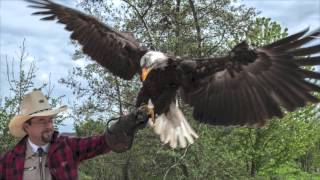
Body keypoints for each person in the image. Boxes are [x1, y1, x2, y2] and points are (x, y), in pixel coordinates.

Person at [0, 89, 149, 180]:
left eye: (50, 120)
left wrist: (125, 126)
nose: (49, 125)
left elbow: (102, 142)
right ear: (27, 127)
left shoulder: (66, 146)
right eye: (41, 121)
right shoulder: (8, 162)